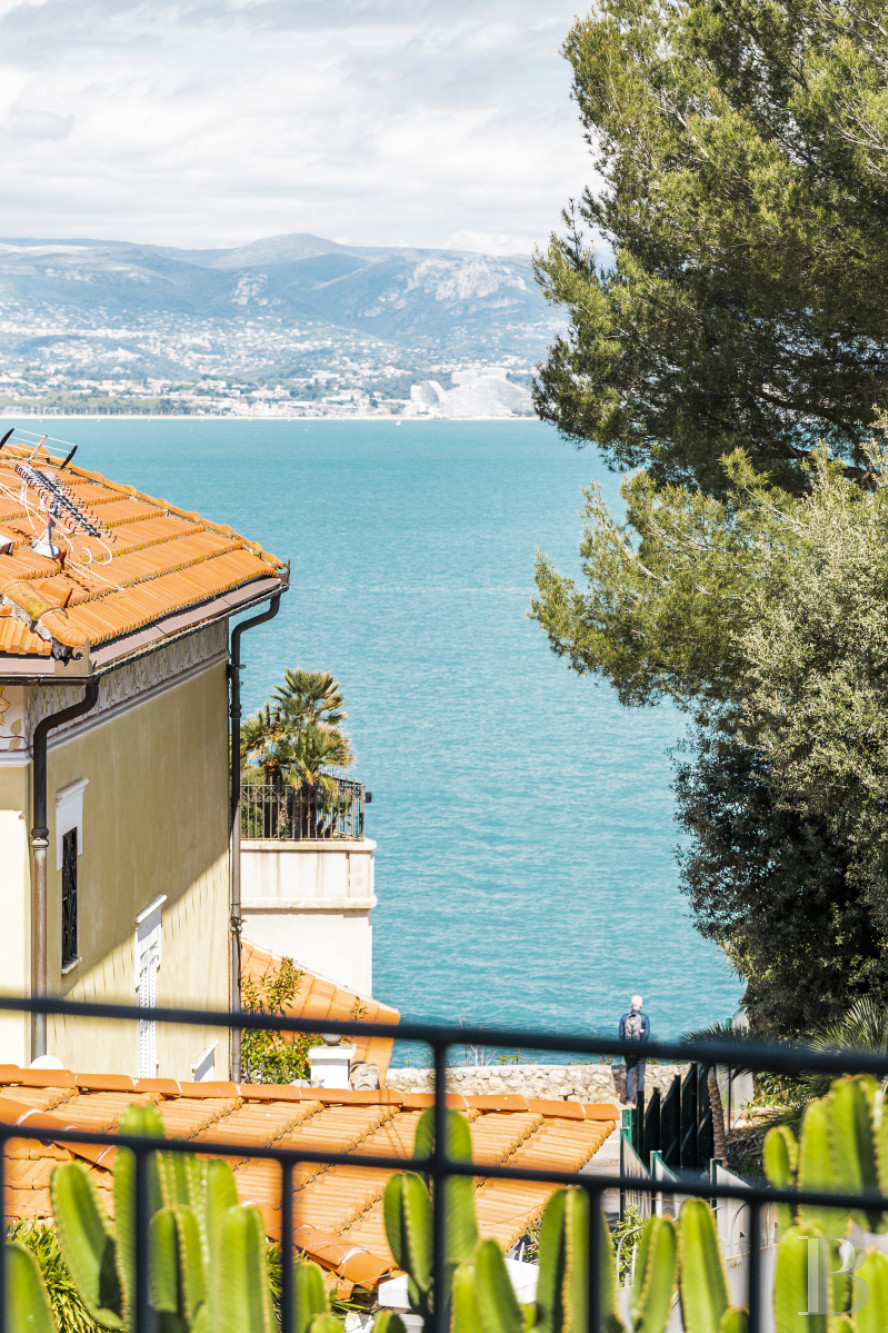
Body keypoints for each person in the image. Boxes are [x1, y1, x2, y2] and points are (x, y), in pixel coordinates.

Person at [619, 994, 650, 1105]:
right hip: (641, 1051)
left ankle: (629, 1099)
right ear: (641, 1006)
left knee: (630, 1073)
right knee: (640, 1075)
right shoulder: (645, 1018)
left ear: (631, 1005)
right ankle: (639, 1099)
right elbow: (646, 1035)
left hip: (628, 1050)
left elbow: (621, 1035)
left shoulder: (624, 1018)